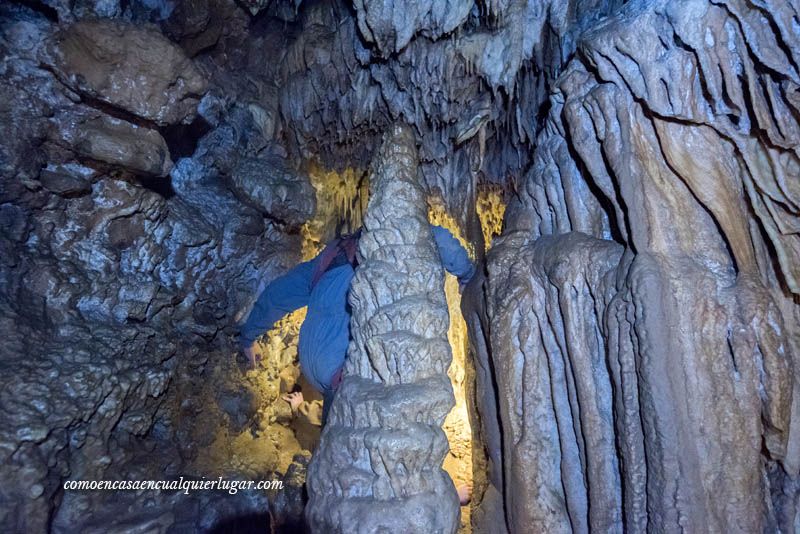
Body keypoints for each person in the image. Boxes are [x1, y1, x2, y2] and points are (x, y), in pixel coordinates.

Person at [239, 222, 475, 424]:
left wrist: (249, 335)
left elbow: (281, 293)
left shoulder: (335, 254)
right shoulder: (384, 245)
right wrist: (467, 275)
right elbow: (440, 239)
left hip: (331, 374)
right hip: (342, 377)